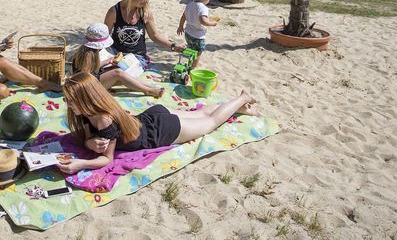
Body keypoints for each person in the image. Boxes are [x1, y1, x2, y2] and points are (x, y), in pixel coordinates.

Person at [56, 72, 258, 174]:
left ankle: (242, 98)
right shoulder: (87, 110)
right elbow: (89, 137)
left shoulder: (103, 119)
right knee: (201, 114)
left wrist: (81, 164)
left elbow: (107, 160)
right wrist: (89, 143)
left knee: (210, 122)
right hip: (150, 117)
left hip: (160, 131)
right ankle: (237, 108)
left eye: (71, 101)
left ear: (85, 99)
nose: (68, 105)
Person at [71, 23, 164, 98]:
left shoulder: (88, 50)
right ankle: (147, 90)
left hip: (90, 80)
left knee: (125, 77)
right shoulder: (88, 55)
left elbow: (91, 67)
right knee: (118, 73)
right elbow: (85, 76)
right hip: (86, 87)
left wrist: (107, 62)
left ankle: (148, 86)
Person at [104, 0, 186, 62]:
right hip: (116, 54)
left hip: (137, 56)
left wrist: (173, 46)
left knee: (122, 70)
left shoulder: (145, 12)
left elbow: (155, 36)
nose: (146, 1)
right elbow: (104, 37)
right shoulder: (114, 12)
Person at [176, 0, 218, 68]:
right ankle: (193, 67)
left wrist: (180, 26)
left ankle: (190, 62)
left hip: (188, 33)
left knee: (192, 49)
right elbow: (203, 21)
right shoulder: (203, 8)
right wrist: (212, 23)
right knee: (198, 52)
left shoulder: (189, 4)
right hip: (198, 36)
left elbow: (184, 16)